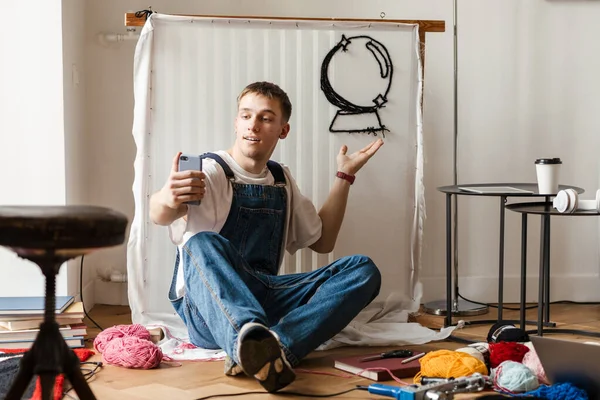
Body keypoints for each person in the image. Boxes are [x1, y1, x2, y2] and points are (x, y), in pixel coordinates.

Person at [149, 81, 384, 392]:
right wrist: (168, 197)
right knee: (201, 242)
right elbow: (160, 214)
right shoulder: (211, 170)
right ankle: (246, 338)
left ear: (282, 130)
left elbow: (322, 241)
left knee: (362, 270)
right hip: (209, 313)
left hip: (265, 296)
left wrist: (345, 176)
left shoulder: (281, 179)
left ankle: (274, 347)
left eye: (266, 118)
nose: (254, 125)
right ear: (236, 122)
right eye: (246, 116)